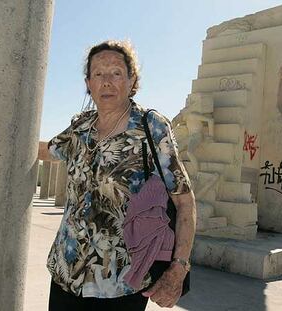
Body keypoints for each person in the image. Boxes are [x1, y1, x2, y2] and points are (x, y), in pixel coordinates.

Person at [46, 40, 196, 311]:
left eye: (116, 72)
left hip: (122, 284)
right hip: (65, 275)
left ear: (132, 80)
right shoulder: (80, 126)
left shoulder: (151, 126)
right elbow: (48, 151)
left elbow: (185, 201)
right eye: (98, 74)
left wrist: (178, 270)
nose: (106, 82)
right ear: (88, 82)